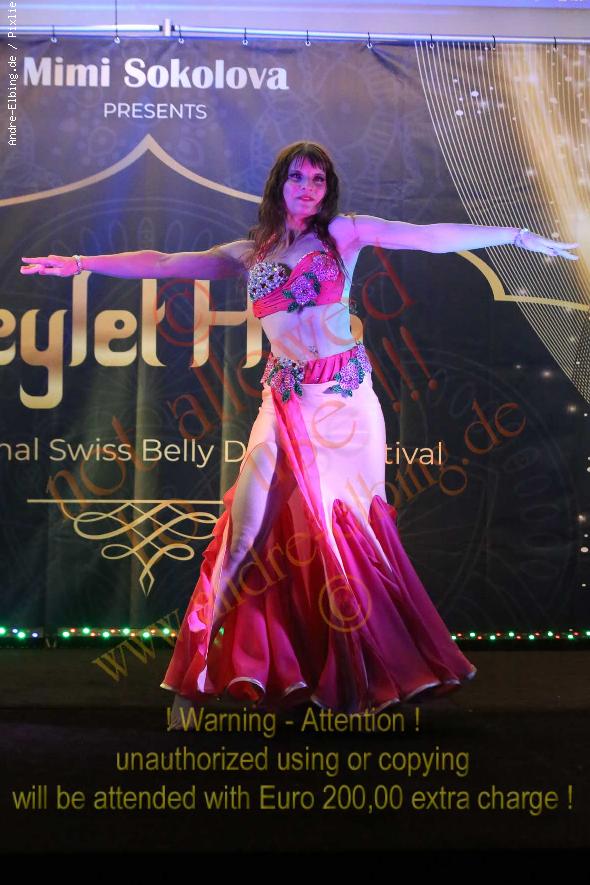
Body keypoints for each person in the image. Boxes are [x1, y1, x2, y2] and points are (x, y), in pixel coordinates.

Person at [21, 141, 578, 722]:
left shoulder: (344, 234)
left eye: (318, 178)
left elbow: (427, 236)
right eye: (297, 177)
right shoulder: (249, 254)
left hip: (347, 405)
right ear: (279, 185)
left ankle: (361, 676)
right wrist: (81, 264)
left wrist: (515, 237)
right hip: (286, 400)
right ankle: (197, 677)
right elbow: (163, 263)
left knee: (346, 537)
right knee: (244, 533)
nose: (308, 188)